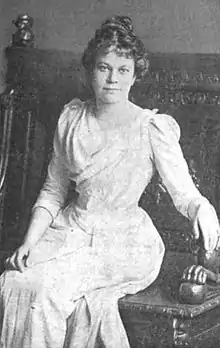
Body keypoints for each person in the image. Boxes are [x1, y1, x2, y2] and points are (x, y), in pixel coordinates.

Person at [0, 15, 220, 348]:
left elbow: (184, 193)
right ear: (90, 71)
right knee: (15, 281)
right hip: (70, 230)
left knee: (47, 290)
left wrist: (201, 208)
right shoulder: (72, 119)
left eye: (122, 70)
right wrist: (30, 243)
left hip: (125, 243)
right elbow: (53, 190)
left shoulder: (151, 128)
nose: (113, 79)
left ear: (135, 75)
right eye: (104, 68)